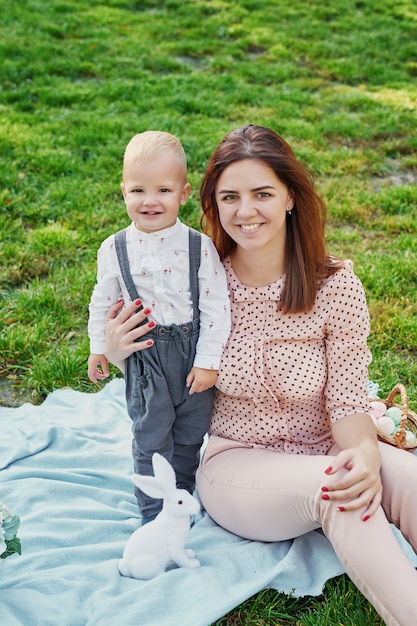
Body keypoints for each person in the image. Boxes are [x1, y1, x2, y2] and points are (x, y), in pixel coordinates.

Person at [102, 125, 417, 625]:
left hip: (326, 445)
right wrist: (119, 350)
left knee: (403, 478)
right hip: (238, 465)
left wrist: (363, 454)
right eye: (230, 197)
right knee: (338, 489)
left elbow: (349, 399)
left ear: (290, 196)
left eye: (262, 194)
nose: (245, 212)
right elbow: (153, 365)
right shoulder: (195, 281)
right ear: (212, 204)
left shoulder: (335, 286)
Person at [87, 130, 231, 523]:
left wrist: (207, 361)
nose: (150, 201)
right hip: (146, 356)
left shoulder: (199, 246)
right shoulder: (115, 248)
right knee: (151, 431)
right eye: (138, 190)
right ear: (123, 192)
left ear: (183, 194)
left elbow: (217, 305)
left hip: (191, 354)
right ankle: (154, 510)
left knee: (189, 430)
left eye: (163, 190)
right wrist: (98, 348)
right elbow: (102, 302)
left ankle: (181, 493)